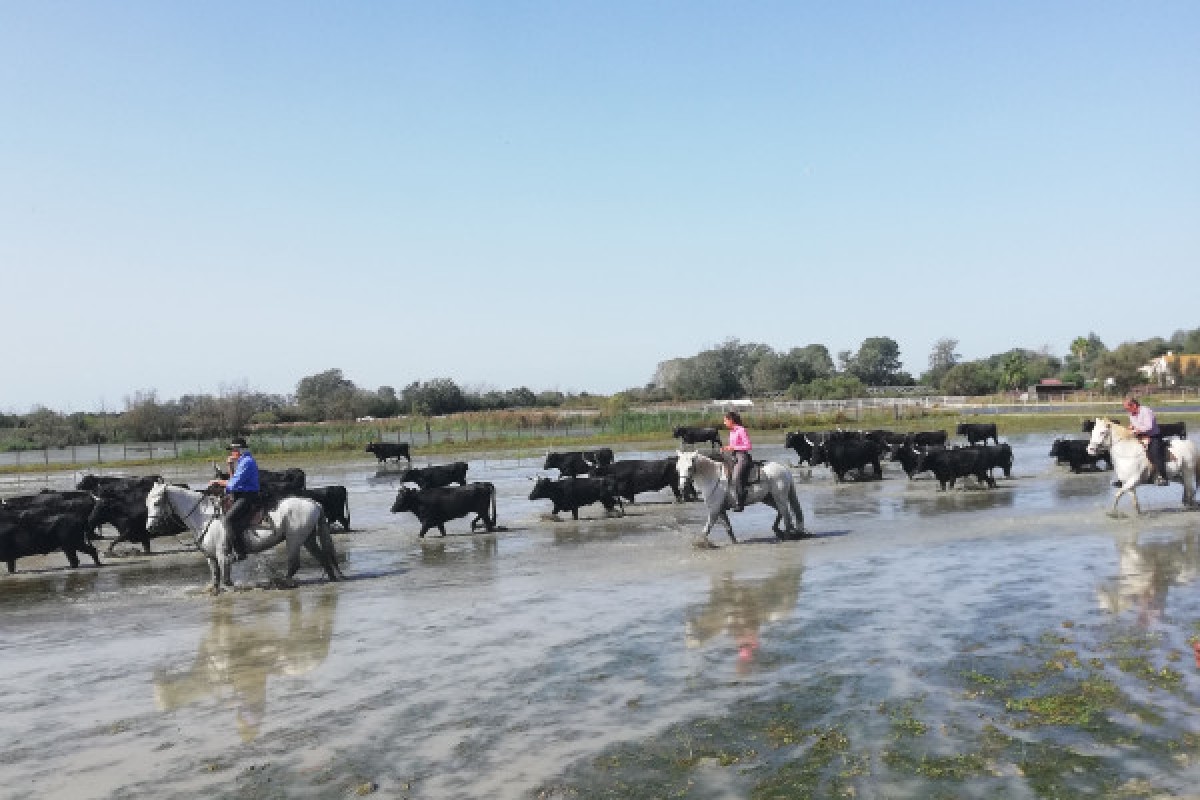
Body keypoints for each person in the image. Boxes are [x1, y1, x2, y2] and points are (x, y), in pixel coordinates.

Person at [208, 436, 261, 559]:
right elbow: (233, 482)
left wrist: (217, 481)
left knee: (228, 520)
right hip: (240, 494)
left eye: (233, 450)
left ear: (239, 450)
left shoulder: (246, 462)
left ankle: (240, 551)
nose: (231, 453)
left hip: (248, 496)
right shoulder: (242, 461)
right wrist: (230, 466)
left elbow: (232, 484)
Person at [1124, 396, 1170, 486]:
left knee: (1155, 454)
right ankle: (1126, 477)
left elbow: (1149, 427)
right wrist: (1131, 427)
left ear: (1133, 405)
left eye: (1128, 408)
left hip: (1153, 437)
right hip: (1140, 436)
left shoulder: (1146, 411)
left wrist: (1136, 430)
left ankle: (1164, 477)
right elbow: (1134, 425)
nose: (1127, 411)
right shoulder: (1131, 414)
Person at [721, 411, 752, 511]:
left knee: (735, 477)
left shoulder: (741, 430)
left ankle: (740, 502)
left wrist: (732, 447)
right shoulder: (732, 431)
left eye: (725, 420)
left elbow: (748, 446)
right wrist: (726, 449)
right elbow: (732, 447)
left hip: (741, 456)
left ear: (731, 420)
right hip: (732, 456)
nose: (724, 423)